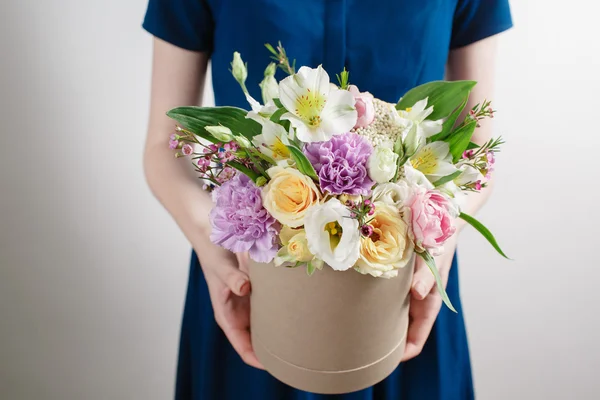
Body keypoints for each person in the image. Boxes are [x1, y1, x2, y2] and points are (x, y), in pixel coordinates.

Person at [142, 1, 512, 398]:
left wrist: (442, 234)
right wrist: (214, 250)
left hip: (403, 283)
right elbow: (166, 145)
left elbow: (477, 149)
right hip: (254, 275)